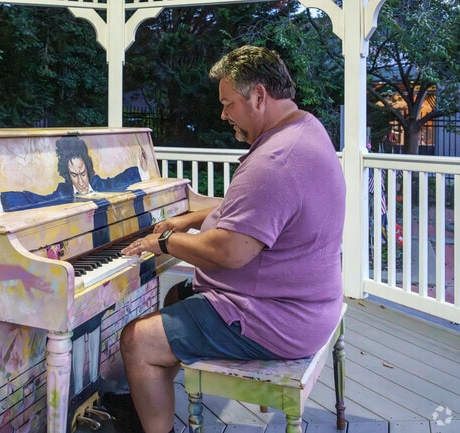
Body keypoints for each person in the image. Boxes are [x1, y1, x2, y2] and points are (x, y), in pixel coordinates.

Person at [119, 45, 346, 433]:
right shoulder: (304, 129)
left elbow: (229, 252)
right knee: (178, 297)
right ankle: (149, 396)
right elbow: (253, 211)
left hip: (277, 320)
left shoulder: (276, 162)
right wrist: (193, 217)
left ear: (259, 95)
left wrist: (164, 242)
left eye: (228, 104)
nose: (224, 115)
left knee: (136, 339)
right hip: (307, 303)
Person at [0, 136, 149, 212]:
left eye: (83, 173)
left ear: (88, 170)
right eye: (74, 175)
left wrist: (141, 168)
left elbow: (121, 179)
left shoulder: (100, 184)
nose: (81, 180)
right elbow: (32, 200)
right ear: (67, 175)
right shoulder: (62, 192)